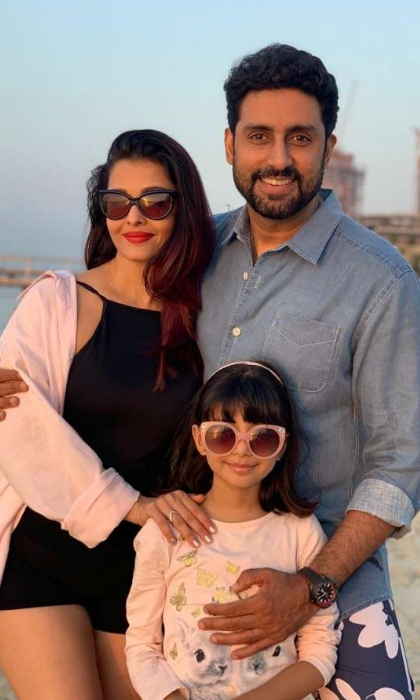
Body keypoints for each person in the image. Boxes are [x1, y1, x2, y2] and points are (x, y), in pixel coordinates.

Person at [2, 44, 420, 699]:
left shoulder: (382, 280)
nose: (278, 158)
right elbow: (73, 345)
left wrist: (312, 584)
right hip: (184, 566)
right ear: (229, 145)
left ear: (328, 146)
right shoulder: (199, 254)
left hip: (329, 575)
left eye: (300, 137)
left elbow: (400, 465)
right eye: (258, 136)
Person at [0, 129, 216, 700]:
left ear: (184, 209)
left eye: (156, 202)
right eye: (117, 202)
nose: (133, 217)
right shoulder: (56, 302)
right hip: (41, 557)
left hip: (145, 572)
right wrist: (135, 505)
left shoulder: (204, 320)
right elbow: (19, 431)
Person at [125, 360, 340, 700]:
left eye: (262, 438)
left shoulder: (301, 531)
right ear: (199, 439)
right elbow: (142, 645)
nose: (241, 450)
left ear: (282, 445)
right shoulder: (164, 532)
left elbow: (321, 650)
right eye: (223, 435)